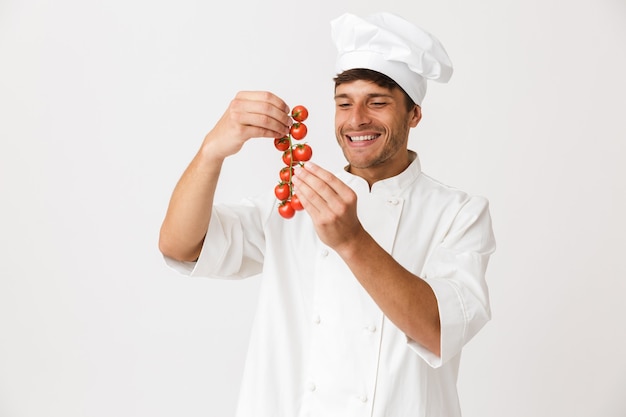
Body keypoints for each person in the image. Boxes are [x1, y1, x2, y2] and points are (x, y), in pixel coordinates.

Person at [159, 11, 496, 417]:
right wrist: (212, 150)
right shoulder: (299, 199)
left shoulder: (458, 213)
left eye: (378, 102)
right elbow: (180, 246)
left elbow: (439, 330)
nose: (356, 120)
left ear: (414, 114)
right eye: (344, 103)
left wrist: (351, 241)